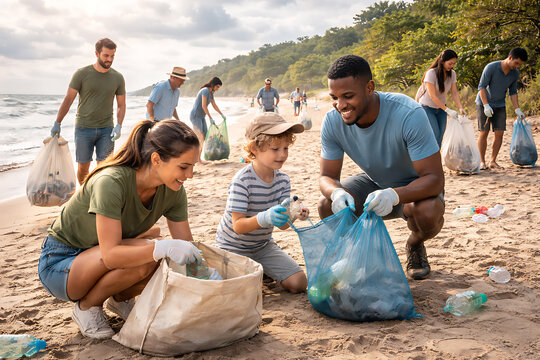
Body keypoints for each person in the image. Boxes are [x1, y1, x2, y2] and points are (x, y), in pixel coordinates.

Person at [38, 119, 203, 339]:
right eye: (184, 167)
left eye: (193, 166)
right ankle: (87, 307)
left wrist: (208, 279)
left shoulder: (174, 191)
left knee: (164, 257)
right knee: (152, 252)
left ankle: (120, 298)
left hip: (102, 254)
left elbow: (187, 247)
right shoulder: (111, 182)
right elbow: (112, 255)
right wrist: (162, 246)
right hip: (62, 264)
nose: (190, 175)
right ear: (156, 159)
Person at [318, 55, 444, 280]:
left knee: (428, 213)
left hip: (416, 189)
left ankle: (415, 244)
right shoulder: (332, 121)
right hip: (374, 183)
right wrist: (336, 192)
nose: (341, 105)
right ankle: (360, 257)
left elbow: (435, 179)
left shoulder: (408, 114)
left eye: (348, 96)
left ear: (369, 88)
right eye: (334, 98)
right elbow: (326, 176)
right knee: (327, 205)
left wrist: (395, 195)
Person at [215, 112, 308, 293]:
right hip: (233, 247)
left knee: (299, 283)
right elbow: (238, 226)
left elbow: (282, 226)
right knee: (249, 291)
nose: (282, 154)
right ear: (254, 148)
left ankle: (260, 269)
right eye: (275, 149)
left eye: (286, 148)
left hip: (263, 246)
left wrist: (294, 215)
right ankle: (256, 272)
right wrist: (264, 217)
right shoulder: (242, 181)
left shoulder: (283, 180)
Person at [50, 38, 126, 185]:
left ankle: (99, 195)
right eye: (106, 55)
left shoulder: (118, 78)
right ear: (96, 53)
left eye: (112, 56)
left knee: (104, 168)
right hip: (84, 128)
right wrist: (57, 122)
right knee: (83, 168)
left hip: (107, 129)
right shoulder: (82, 74)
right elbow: (68, 99)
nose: (109, 59)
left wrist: (119, 125)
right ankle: (85, 194)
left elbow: (121, 105)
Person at [476, 47, 528, 170]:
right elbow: (481, 87)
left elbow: (513, 92)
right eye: (516, 63)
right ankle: (482, 162)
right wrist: (486, 105)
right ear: (510, 58)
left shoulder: (515, 73)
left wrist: (517, 109)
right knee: (484, 132)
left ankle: (493, 161)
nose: (517, 66)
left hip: (500, 104)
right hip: (483, 103)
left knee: (499, 134)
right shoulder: (491, 67)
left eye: (520, 65)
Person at [416, 49, 466, 147]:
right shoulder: (431, 73)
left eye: (454, 64)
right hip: (427, 108)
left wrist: (460, 107)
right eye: (450, 63)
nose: (452, 66)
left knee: (440, 136)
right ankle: (429, 159)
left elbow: (454, 92)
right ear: (442, 61)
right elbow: (432, 96)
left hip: (441, 109)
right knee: (435, 134)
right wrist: (448, 110)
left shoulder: (452, 74)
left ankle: (436, 159)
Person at [190, 77, 225, 163]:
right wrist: (210, 118)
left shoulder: (211, 93)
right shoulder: (205, 91)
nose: (217, 89)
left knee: (204, 137)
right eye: (217, 87)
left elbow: (214, 105)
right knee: (199, 138)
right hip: (195, 116)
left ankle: (199, 158)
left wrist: (221, 114)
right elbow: (203, 105)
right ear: (213, 85)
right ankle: (197, 160)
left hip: (201, 117)